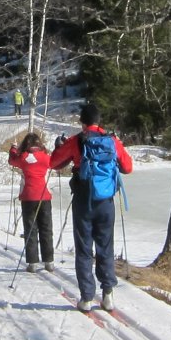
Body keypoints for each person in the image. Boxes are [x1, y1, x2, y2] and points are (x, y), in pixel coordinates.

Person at [48, 101, 134, 312]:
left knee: (84, 248)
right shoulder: (111, 140)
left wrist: (59, 147)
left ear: (82, 122)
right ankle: (107, 294)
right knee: (105, 247)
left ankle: (86, 297)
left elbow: (54, 163)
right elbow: (128, 167)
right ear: (98, 121)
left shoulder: (77, 141)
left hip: (84, 201)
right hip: (106, 202)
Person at [7, 131, 55, 271]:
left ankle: (32, 262)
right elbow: (55, 162)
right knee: (46, 229)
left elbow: (12, 160)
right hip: (43, 196)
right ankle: (49, 261)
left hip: (28, 196)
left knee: (30, 229)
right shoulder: (45, 157)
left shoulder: (23, 157)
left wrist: (13, 148)